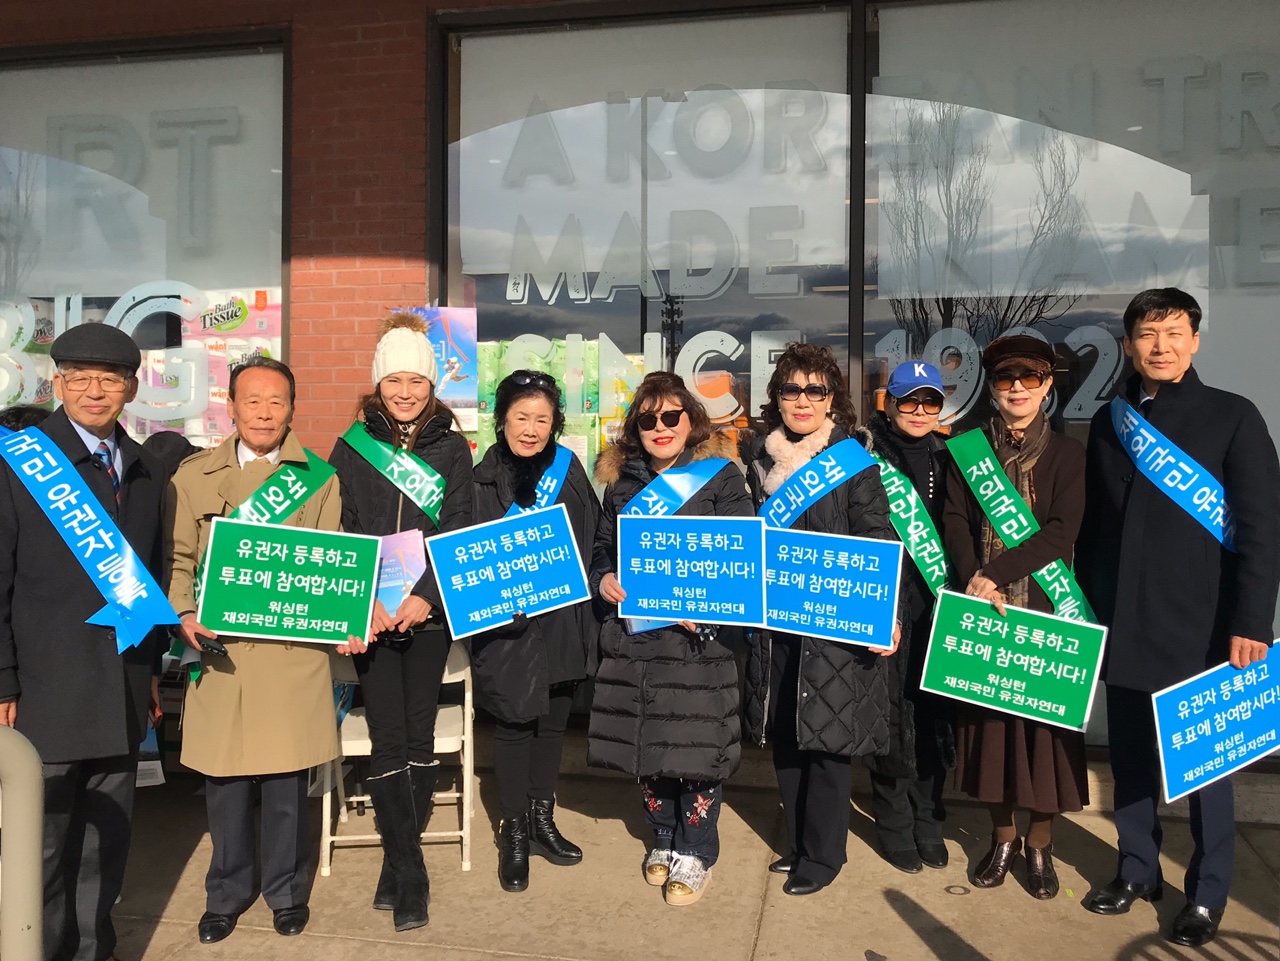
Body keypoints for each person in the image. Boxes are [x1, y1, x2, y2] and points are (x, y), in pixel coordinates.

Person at [1076, 288, 1280, 947]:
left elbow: (1262, 530)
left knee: (1206, 766)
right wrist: (1090, 607)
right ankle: (1137, 868)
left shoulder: (1233, 415)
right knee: (1131, 756)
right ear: (1128, 344)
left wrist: (1253, 621)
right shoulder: (1110, 421)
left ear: (1194, 340)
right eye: (1147, 333)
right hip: (1124, 618)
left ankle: (1207, 893)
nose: (1160, 346)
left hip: (1205, 625)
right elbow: (1095, 528)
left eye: (1173, 332)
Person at [0, 324, 167, 961]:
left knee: (105, 850)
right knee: (39, 851)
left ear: (131, 388)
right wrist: (2, 679)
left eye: (110, 379)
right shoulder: (20, 462)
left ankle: (95, 952)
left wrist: (150, 674)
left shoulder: (145, 469)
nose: (95, 391)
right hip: (42, 691)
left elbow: (150, 578)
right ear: (58, 383)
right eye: (80, 378)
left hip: (120, 688)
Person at [168, 356, 343, 944]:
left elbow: (331, 562)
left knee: (287, 787)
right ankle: (226, 894)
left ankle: (286, 893)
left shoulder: (319, 478)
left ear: (292, 409)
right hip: (222, 655)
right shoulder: (193, 477)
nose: (264, 413)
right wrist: (184, 614)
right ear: (231, 406)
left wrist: (343, 615)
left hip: (291, 652)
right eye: (253, 401)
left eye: (276, 402)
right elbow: (179, 559)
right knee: (226, 786)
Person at [328, 313, 473, 930]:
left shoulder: (452, 447)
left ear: (432, 384)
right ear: (378, 383)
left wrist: (428, 596)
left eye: (417, 381)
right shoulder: (351, 445)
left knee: (419, 736)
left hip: (426, 616)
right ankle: (410, 870)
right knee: (387, 737)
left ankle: (400, 864)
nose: (406, 392)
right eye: (395, 381)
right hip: (372, 615)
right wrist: (362, 601)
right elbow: (341, 527)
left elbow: (459, 525)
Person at [741, 342, 898, 897]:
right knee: (787, 734)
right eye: (792, 389)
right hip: (775, 625)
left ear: (832, 399)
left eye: (815, 390)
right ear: (777, 398)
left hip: (833, 622)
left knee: (828, 740)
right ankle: (799, 843)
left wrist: (885, 613)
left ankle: (825, 855)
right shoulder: (757, 460)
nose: (803, 400)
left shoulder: (852, 461)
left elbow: (878, 535)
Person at [588, 371, 749, 906]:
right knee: (650, 744)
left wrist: (704, 604)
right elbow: (602, 549)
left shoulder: (720, 478)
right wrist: (604, 579)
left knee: (696, 747)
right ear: (636, 427)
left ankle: (697, 850)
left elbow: (741, 554)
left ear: (691, 420)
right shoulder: (622, 485)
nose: (661, 427)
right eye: (648, 419)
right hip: (638, 639)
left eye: (672, 416)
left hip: (698, 643)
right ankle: (662, 835)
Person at [940, 335, 1088, 900]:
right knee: (993, 734)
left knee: (1045, 736)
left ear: (1047, 384)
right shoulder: (969, 450)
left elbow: (1062, 531)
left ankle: (1040, 844)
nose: (1017, 388)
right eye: (1006, 378)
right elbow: (955, 520)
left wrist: (997, 573)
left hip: (1047, 609)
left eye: (1029, 377)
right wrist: (975, 579)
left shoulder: (1069, 454)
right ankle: (1002, 838)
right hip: (984, 608)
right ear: (992, 387)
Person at [470, 370, 601, 893]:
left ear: (555, 424)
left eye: (542, 420)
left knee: (552, 728)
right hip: (509, 628)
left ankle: (543, 820)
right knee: (514, 726)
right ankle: (515, 832)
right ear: (502, 420)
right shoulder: (482, 479)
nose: (531, 429)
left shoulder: (569, 469)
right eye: (521, 417)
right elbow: (469, 554)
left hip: (564, 621)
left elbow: (594, 534)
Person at [860, 361, 956, 874]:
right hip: (887, 604)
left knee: (934, 715)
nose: (920, 411)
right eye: (909, 400)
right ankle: (895, 823)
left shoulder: (952, 457)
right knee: (890, 718)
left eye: (930, 401)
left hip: (939, 603)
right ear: (890, 404)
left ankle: (929, 819)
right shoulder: (865, 456)